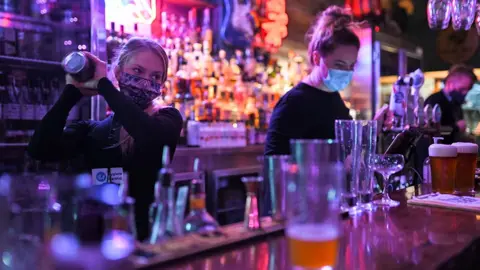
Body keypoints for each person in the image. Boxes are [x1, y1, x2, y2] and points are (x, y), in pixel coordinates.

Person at [27, 38, 183, 241]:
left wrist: (104, 86)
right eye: (137, 71)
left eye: (155, 76)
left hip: (144, 245)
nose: (146, 81)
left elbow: (149, 136)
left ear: (162, 83)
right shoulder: (92, 131)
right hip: (93, 245)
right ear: (118, 73)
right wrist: (72, 93)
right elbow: (40, 149)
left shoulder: (168, 119)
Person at [265, 6, 386, 155]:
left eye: (351, 66)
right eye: (339, 64)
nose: (346, 72)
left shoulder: (334, 99)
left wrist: (373, 129)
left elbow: (346, 150)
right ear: (316, 58)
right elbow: (274, 166)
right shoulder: (292, 104)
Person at [425, 64, 477, 144]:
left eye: (468, 89)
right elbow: (429, 131)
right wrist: (456, 128)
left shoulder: (455, 103)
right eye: (462, 89)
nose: (465, 93)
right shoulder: (434, 101)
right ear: (450, 83)